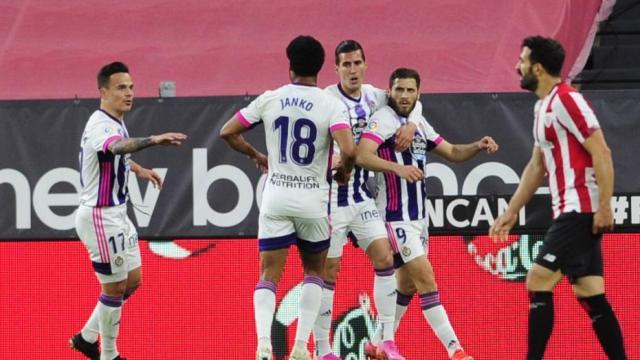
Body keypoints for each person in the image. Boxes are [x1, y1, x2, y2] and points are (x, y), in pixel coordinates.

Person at [219, 35, 356, 360]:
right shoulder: (330, 104)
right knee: (314, 273)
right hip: (313, 201)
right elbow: (348, 149)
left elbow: (227, 131)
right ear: (322, 67)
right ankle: (299, 347)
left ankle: (264, 344)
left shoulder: (271, 98)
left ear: (289, 63)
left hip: (276, 197)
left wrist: (258, 155)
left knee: (269, 274)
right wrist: (345, 171)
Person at [490, 36, 627, 360]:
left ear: (537, 67)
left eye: (522, 60)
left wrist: (605, 205)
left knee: (537, 278)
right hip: (573, 209)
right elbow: (536, 166)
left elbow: (602, 151)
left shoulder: (568, 100)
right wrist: (511, 211)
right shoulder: (543, 106)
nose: (517, 66)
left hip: (582, 209)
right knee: (590, 292)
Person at [358, 68, 498, 360]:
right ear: (390, 91)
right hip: (395, 217)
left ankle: (375, 344)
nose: (405, 95)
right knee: (427, 281)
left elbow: (452, 152)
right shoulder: (383, 119)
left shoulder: (417, 122)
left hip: (420, 219)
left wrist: (477, 145)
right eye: (399, 90)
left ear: (419, 93)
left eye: (410, 90)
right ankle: (456, 351)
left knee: (406, 284)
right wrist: (398, 169)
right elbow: (363, 154)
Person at [312, 39, 423, 360]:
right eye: (345, 65)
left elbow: (413, 99)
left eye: (357, 63)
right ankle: (322, 350)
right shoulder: (325, 99)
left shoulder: (376, 96)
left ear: (365, 64)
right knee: (328, 273)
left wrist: (413, 122)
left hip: (362, 197)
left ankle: (386, 339)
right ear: (336, 69)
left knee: (385, 258)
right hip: (331, 199)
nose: (352, 70)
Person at [70, 61, 187, 360]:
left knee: (131, 281)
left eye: (131, 87)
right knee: (114, 286)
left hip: (118, 213)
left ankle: (86, 337)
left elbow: (115, 156)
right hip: (100, 215)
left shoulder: (115, 119)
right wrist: (153, 140)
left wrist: (140, 170)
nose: (129, 93)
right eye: (121, 88)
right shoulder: (100, 124)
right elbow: (116, 147)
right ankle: (109, 354)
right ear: (103, 92)